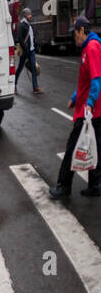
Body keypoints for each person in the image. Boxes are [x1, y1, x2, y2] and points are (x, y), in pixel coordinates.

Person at [49, 16, 101, 200]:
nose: (74, 38)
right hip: (91, 109)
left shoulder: (92, 48)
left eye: (75, 34)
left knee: (72, 147)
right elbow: (84, 82)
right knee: (95, 146)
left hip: (90, 111)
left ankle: (63, 186)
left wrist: (89, 103)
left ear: (81, 31)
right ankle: (95, 184)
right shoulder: (87, 48)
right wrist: (74, 98)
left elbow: (96, 80)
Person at [15, 9, 42, 94]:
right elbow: (20, 38)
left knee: (33, 68)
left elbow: (31, 36)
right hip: (25, 51)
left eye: (30, 14)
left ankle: (35, 87)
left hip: (31, 50)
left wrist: (34, 46)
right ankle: (14, 86)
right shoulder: (22, 25)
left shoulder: (29, 24)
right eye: (29, 15)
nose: (31, 16)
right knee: (20, 68)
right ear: (25, 15)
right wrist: (25, 48)